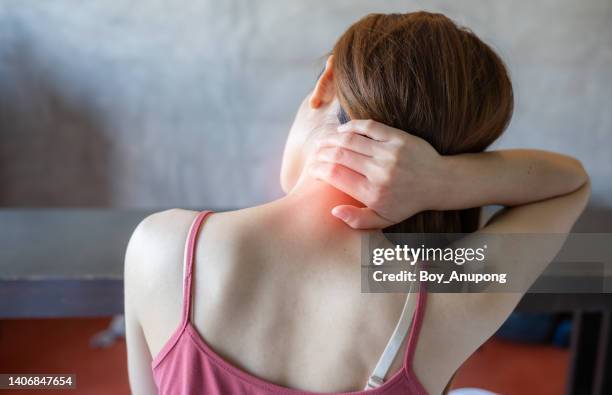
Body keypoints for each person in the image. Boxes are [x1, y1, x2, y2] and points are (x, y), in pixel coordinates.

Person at [125, 12, 590, 395]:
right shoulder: (454, 294)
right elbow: (570, 183)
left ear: (326, 82)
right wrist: (444, 180)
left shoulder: (163, 245)